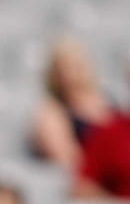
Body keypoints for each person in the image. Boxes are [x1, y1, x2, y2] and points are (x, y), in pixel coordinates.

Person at [29, 36, 122, 175]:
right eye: (67, 66)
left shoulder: (108, 101)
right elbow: (67, 160)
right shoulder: (53, 112)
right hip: (90, 184)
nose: (74, 73)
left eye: (78, 65)